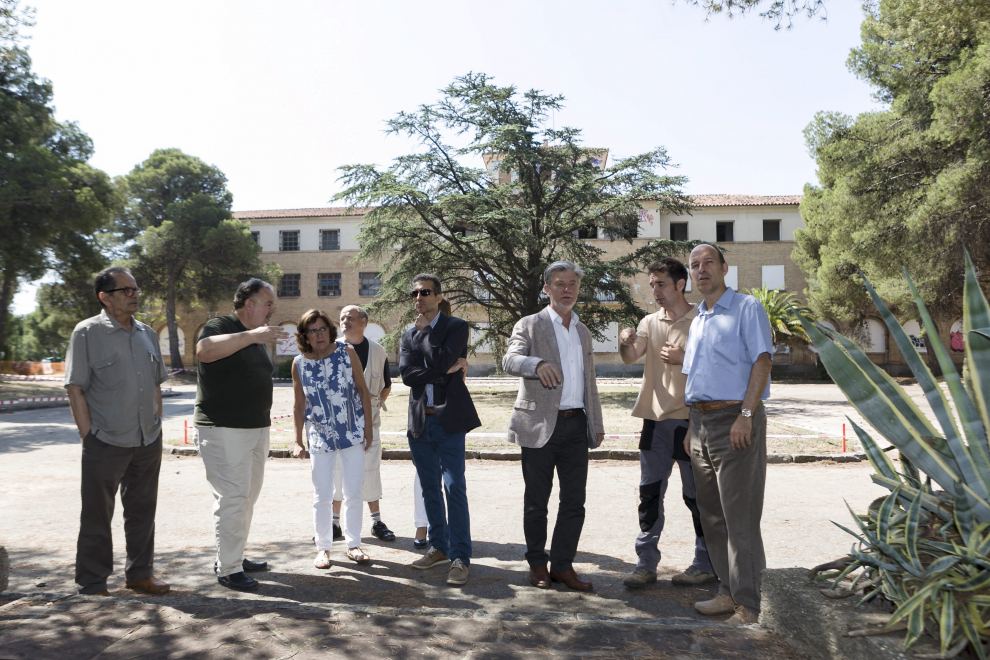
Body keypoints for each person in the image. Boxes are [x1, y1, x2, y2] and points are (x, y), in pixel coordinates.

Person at [681, 244, 773, 625]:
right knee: (712, 515)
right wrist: (691, 428)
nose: (701, 270)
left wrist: (746, 416)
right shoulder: (699, 317)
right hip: (701, 424)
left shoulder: (747, 308)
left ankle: (751, 605)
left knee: (740, 518)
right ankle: (727, 591)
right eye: (694, 265)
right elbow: (695, 378)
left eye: (708, 263)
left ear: (724, 268)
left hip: (735, 420)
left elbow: (762, 361)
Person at [65, 267, 170, 596]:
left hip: (147, 440)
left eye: (136, 289)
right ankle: (93, 582)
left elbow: (155, 385)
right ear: (105, 297)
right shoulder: (86, 332)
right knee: (97, 515)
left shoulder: (147, 333)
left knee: (142, 511)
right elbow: (75, 387)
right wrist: (89, 436)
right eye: (126, 290)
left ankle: (140, 574)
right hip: (105, 441)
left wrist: (156, 425)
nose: (135, 294)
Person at [502, 261, 605, 592]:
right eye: (559, 284)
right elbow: (509, 360)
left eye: (572, 283)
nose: (567, 289)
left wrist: (597, 422)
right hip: (539, 427)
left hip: (576, 426)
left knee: (574, 502)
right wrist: (537, 364)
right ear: (547, 289)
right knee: (537, 501)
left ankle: (562, 566)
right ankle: (537, 564)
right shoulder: (530, 325)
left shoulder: (582, 331)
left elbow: (590, 381)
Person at [617, 259, 715, 589]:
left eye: (661, 284)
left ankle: (705, 563)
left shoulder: (703, 319)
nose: (655, 291)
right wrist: (624, 340)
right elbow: (631, 356)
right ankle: (646, 564)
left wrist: (683, 359)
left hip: (691, 422)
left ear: (680, 284)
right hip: (654, 421)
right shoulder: (649, 321)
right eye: (652, 284)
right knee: (649, 496)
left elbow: (717, 366)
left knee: (697, 498)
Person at [194, 278, 288, 592]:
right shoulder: (220, 325)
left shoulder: (254, 338)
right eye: (268, 303)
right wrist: (251, 336)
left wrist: (253, 338)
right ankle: (228, 568)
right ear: (249, 304)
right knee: (233, 499)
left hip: (255, 428)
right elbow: (204, 351)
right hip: (224, 429)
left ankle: (234, 555)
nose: (273, 310)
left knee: (247, 498)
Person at [399, 273, 480, 585]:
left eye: (425, 292)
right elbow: (407, 375)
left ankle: (460, 556)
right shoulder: (408, 334)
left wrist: (427, 343)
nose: (419, 297)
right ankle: (439, 548)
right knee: (430, 487)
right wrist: (443, 368)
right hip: (420, 419)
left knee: (454, 486)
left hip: (449, 419)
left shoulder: (456, 326)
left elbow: (444, 356)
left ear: (438, 296)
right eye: (415, 293)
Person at [291, 309, 375, 568]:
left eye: (322, 329)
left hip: (351, 432)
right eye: (312, 330)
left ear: (330, 329)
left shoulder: (346, 352)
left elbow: (362, 390)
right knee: (322, 495)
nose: (319, 335)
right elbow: (299, 404)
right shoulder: (299, 363)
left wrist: (368, 429)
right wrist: (297, 440)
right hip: (319, 437)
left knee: (353, 492)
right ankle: (323, 548)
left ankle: (353, 545)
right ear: (305, 335)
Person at [329, 306, 396, 543]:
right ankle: (334, 524)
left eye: (350, 317)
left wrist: (372, 409)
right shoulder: (330, 349)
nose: (345, 321)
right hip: (338, 425)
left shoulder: (378, 351)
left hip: (370, 425)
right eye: (342, 318)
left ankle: (376, 521)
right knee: (337, 472)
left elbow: (386, 385)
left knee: (370, 472)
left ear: (364, 322)